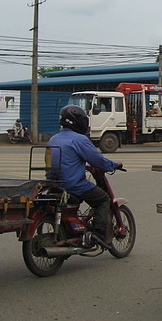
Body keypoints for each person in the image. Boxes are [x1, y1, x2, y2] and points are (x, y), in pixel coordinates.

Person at [48, 105, 122, 247]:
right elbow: (97, 160)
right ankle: (98, 233)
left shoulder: (53, 139)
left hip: (53, 184)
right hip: (73, 185)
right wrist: (113, 165)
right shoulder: (79, 140)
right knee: (103, 199)